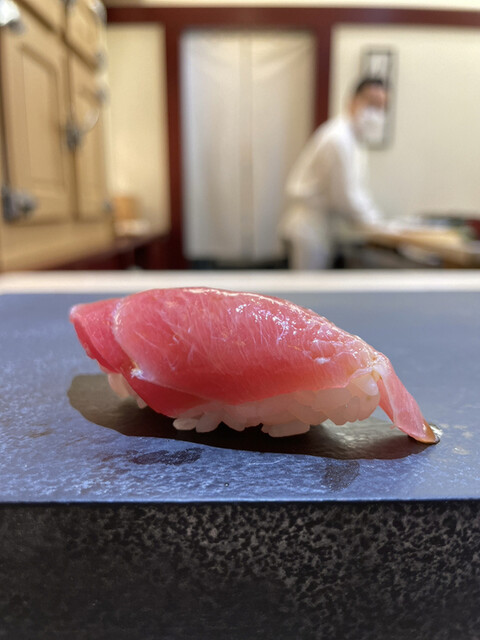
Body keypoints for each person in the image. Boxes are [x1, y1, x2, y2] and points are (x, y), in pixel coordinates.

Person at [280, 77, 388, 269]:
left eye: (381, 107)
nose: (376, 113)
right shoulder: (338, 138)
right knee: (308, 286)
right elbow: (346, 196)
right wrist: (378, 225)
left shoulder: (352, 140)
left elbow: (352, 192)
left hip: (321, 229)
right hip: (310, 229)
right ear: (353, 101)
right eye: (371, 103)